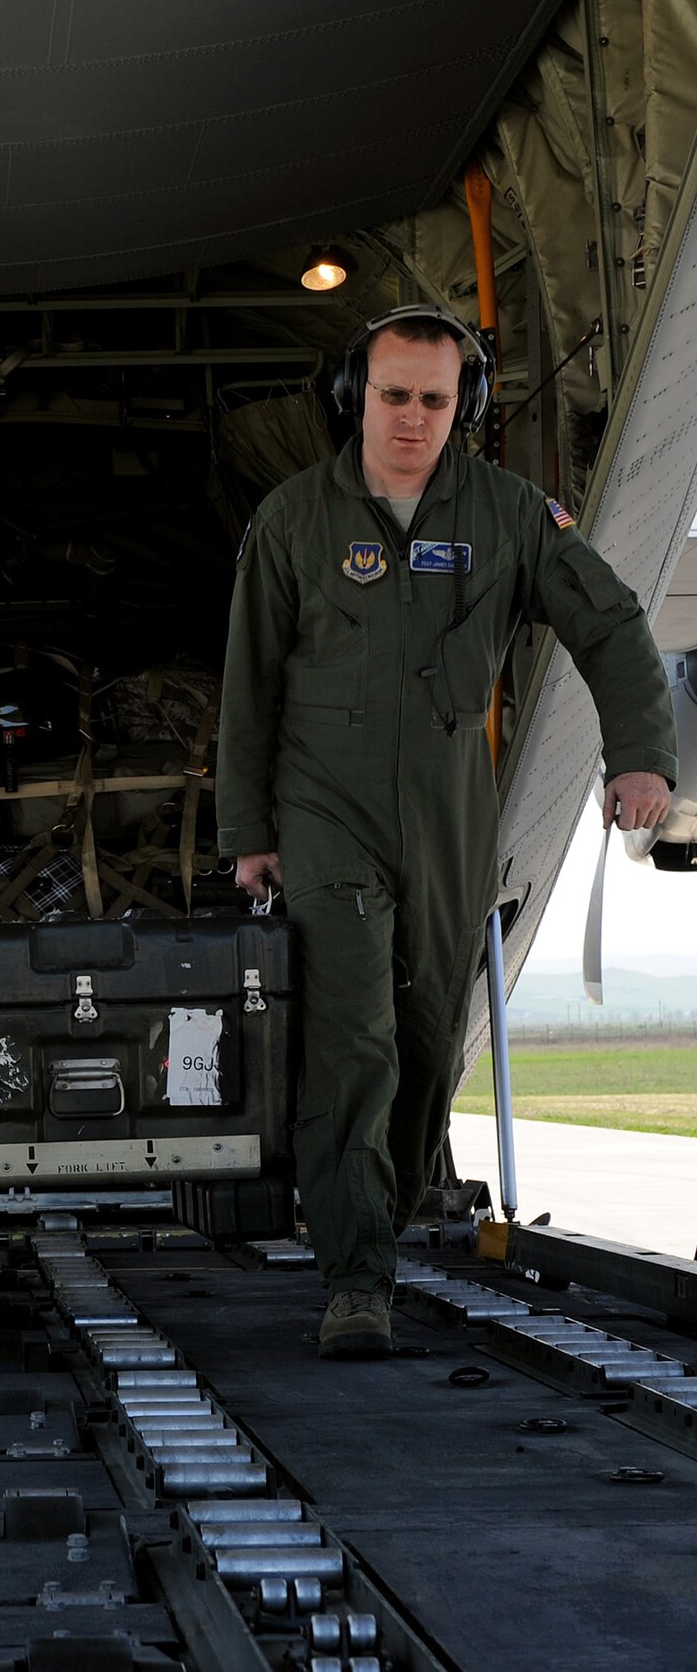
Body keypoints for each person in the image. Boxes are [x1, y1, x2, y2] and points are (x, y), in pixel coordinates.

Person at [218, 305, 676, 1359]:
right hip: (323, 803)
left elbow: (605, 621)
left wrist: (641, 752)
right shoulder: (293, 521)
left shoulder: (510, 514)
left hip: (448, 805)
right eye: (393, 397)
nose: (412, 419)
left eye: (433, 399)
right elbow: (247, 686)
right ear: (354, 399)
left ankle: (394, 1194)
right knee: (355, 1037)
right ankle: (353, 1275)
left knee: (427, 1035)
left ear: (460, 406)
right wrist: (249, 829)